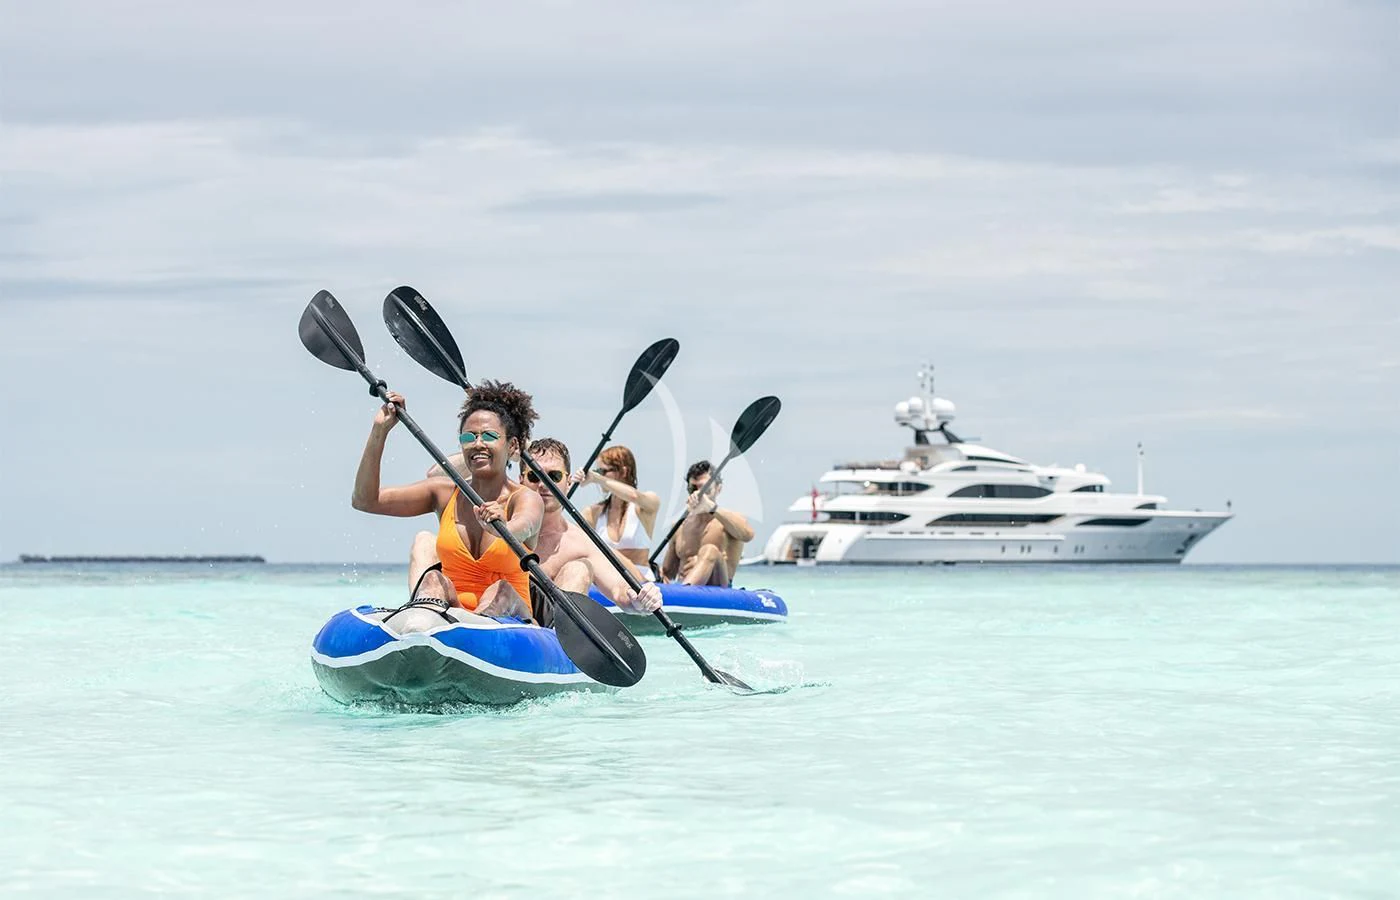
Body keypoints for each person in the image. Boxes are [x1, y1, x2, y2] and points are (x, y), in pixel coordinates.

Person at [351, 380, 542, 623]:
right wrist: (380, 430)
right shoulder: (443, 493)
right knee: (433, 580)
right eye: (469, 437)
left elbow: (525, 524)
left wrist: (504, 526)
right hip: (453, 617)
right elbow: (366, 500)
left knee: (500, 589)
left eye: (489, 436)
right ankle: (421, 626)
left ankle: (470, 630)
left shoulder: (525, 497)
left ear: (512, 445)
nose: (478, 444)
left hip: (510, 619)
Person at [521, 438, 661, 626]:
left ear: (568, 482)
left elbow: (619, 591)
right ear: (521, 480)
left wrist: (639, 600)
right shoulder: (497, 523)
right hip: (506, 620)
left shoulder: (581, 542)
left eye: (553, 476)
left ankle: (559, 638)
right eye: (534, 476)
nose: (543, 484)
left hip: (553, 637)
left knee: (579, 568)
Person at [571, 445, 661, 580]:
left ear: (623, 471)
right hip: (608, 583)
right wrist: (570, 483)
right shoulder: (593, 512)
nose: (598, 475)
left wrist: (596, 478)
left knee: (607, 552)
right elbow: (573, 543)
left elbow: (633, 496)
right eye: (597, 471)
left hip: (641, 582)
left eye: (602, 471)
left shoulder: (646, 504)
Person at [660, 460, 754, 587]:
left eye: (705, 489)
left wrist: (710, 506)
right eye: (693, 488)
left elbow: (748, 535)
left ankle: (687, 591)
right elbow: (668, 572)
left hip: (718, 590)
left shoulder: (728, 522)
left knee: (710, 550)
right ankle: (686, 590)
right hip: (682, 587)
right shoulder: (680, 525)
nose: (698, 494)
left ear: (718, 489)